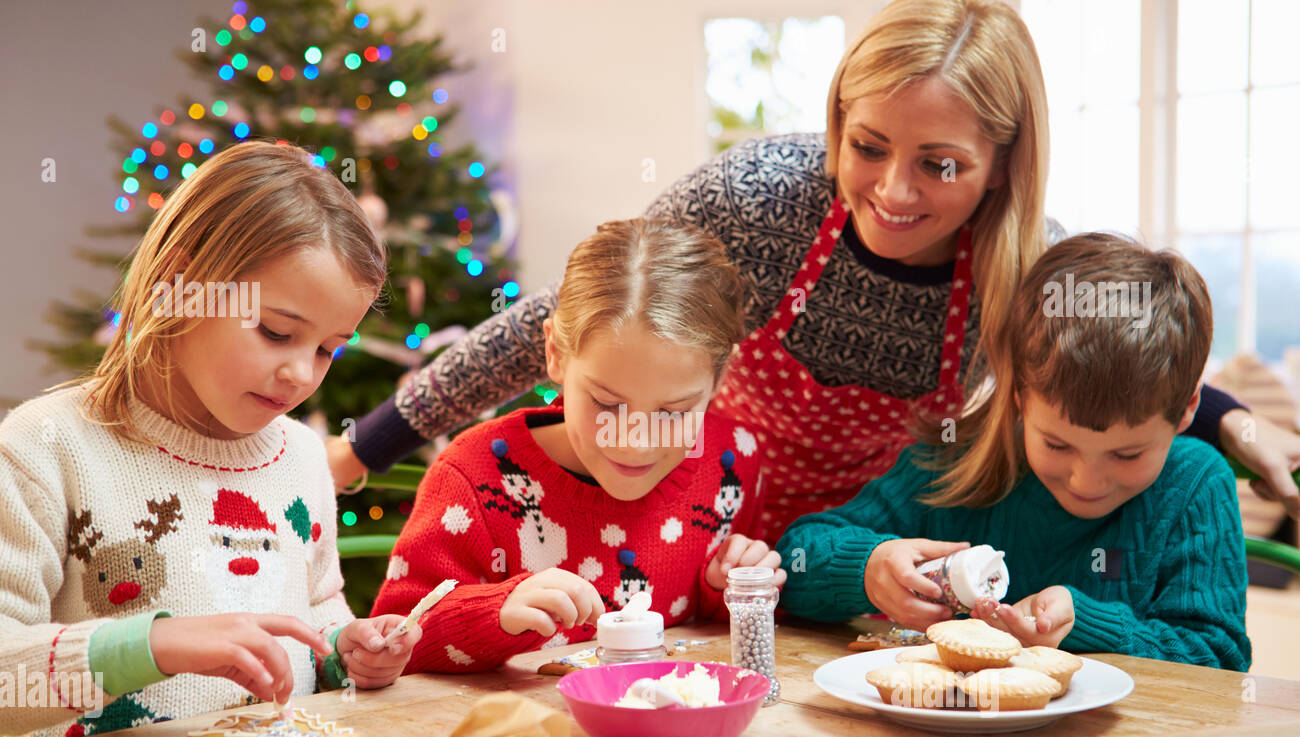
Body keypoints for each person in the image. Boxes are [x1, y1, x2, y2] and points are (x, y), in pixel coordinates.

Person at [326, 0, 1300, 532]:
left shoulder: (1023, 255)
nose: (892, 190)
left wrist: (1241, 425)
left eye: (940, 165)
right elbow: (576, 313)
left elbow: (1120, 362)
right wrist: (365, 443)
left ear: (1003, 162)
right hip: (698, 523)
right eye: (867, 144)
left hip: (874, 550)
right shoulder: (763, 200)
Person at [0, 141, 415, 737]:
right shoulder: (44, 447)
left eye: (328, 348)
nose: (302, 373)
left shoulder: (300, 456)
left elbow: (319, 614)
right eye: (276, 332)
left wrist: (344, 652)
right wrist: (152, 646)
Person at [776, 233, 1249, 671]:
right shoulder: (953, 462)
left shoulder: (1195, 484)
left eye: (1126, 455)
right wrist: (868, 567)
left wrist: (1084, 624)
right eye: (1057, 444)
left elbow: (1221, 660)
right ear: (1020, 396)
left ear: (1187, 411)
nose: (1087, 480)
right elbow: (793, 562)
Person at [370, 219, 782, 672]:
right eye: (607, 403)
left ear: (719, 381)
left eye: (672, 413)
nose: (635, 441)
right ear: (555, 354)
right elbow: (389, 642)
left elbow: (714, 637)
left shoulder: (732, 459)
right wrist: (493, 614)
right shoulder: (473, 475)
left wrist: (731, 590)